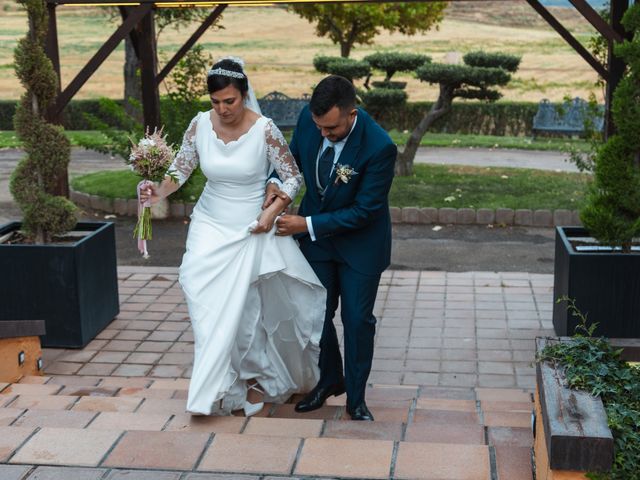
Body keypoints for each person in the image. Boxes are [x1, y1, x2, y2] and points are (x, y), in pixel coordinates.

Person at [140, 58, 325, 416]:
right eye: (215, 102)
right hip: (209, 223)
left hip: (249, 228)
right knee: (200, 296)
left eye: (229, 101)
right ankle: (220, 381)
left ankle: (251, 378)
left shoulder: (265, 129)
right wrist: (156, 192)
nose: (222, 109)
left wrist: (271, 212)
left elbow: (292, 178)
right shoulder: (199, 125)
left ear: (244, 95)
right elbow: (180, 170)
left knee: (243, 310)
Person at [267, 75, 396, 421]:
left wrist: (304, 225)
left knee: (357, 321)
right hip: (318, 245)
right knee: (315, 315)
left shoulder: (380, 146)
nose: (324, 134)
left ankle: (356, 398)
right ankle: (328, 380)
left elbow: (365, 211)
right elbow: (288, 166)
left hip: (360, 247)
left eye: (332, 128)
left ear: (352, 114)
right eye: (319, 126)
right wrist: (274, 184)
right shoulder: (311, 126)